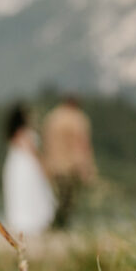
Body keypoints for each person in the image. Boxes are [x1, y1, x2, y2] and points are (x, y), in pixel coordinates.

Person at [42, 96, 97, 228]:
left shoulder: (52, 117)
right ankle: (60, 225)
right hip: (72, 165)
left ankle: (56, 226)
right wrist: (88, 167)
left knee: (58, 198)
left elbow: (46, 143)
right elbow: (82, 144)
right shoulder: (78, 119)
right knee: (68, 200)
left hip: (54, 165)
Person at [2, 104, 55, 237]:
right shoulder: (24, 134)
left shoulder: (14, 135)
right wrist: (44, 167)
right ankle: (30, 223)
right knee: (31, 193)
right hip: (26, 167)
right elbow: (32, 152)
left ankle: (22, 222)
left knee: (22, 194)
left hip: (16, 167)